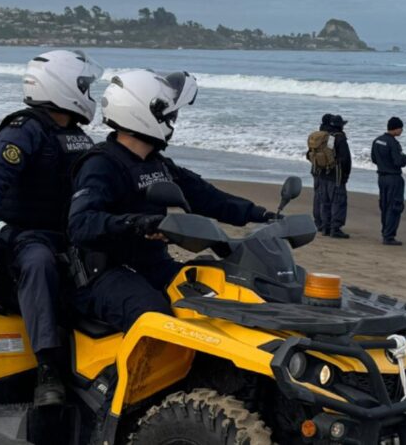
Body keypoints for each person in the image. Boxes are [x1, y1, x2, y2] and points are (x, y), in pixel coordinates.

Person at [68, 69, 277, 332]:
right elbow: (81, 225)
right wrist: (138, 223)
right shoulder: (101, 165)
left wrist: (259, 214)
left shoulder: (157, 163)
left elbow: (206, 196)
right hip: (107, 274)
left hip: (154, 266)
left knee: (217, 292)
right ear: (144, 111)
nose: (173, 120)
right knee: (154, 317)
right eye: (170, 114)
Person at [0, 49, 103, 406]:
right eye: (84, 84)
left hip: (70, 232)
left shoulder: (77, 136)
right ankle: (47, 368)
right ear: (61, 85)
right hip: (26, 234)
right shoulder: (24, 131)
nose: (89, 92)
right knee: (39, 264)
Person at [371, 117, 406, 246]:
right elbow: (399, 161)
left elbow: (374, 159)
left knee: (385, 205)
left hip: (382, 177)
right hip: (393, 178)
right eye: (401, 128)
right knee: (394, 206)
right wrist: (405, 158)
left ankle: (385, 232)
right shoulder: (393, 143)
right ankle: (389, 236)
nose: (402, 130)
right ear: (396, 128)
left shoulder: (377, 140)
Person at [313, 114, 351, 238]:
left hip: (322, 174)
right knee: (338, 202)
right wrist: (345, 175)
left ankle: (325, 228)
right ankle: (336, 229)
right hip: (336, 176)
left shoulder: (324, 137)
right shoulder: (340, 138)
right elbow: (345, 159)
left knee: (325, 202)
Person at [310, 113, 333, 233]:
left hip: (315, 168)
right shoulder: (327, 136)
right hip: (324, 171)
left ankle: (317, 221)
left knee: (317, 195)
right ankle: (323, 222)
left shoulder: (316, 135)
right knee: (324, 197)